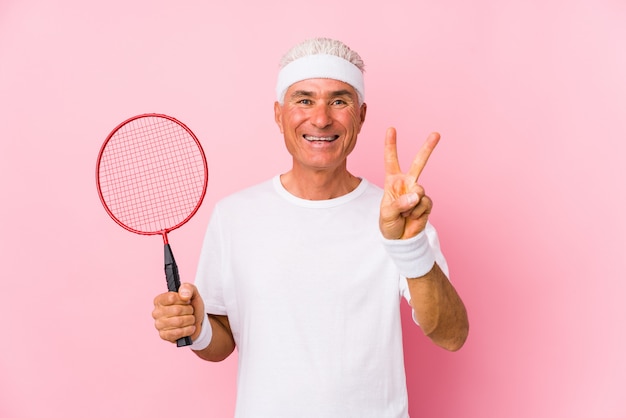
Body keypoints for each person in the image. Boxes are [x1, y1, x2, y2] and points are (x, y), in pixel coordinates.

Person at [152, 37, 469, 417]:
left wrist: (409, 246)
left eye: (339, 100)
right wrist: (196, 324)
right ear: (278, 113)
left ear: (362, 115)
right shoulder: (234, 216)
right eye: (304, 100)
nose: (321, 118)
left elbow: (452, 336)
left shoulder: (397, 215)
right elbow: (221, 343)